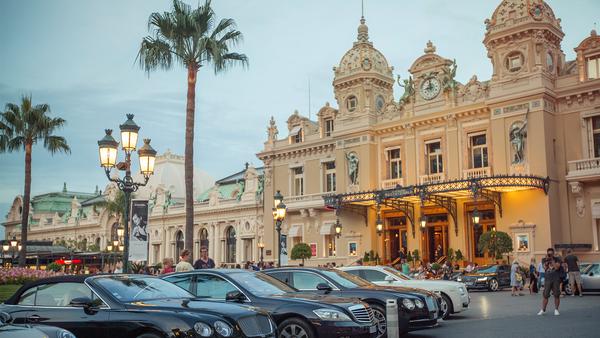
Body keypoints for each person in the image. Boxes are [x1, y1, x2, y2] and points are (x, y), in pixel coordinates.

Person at [538, 248, 563, 316]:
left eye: (551, 254)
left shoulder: (557, 259)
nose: (550, 255)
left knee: (556, 295)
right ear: (547, 253)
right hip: (548, 279)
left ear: (553, 253)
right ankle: (543, 310)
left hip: (556, 279)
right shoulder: (544, 259)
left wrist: (552, 260)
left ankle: (556, 310)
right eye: (549, 254)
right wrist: (547, 262)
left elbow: (557, 267)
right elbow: (545, 268)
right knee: (545, 295)